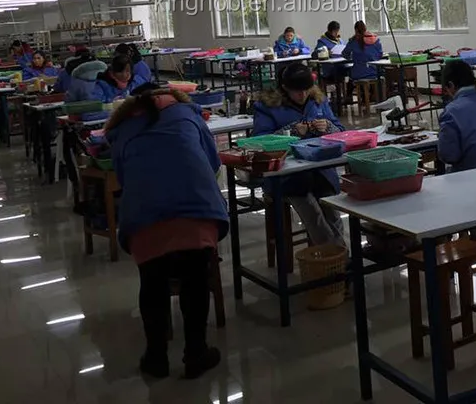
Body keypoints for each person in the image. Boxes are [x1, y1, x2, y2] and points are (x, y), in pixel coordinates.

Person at [106, 85, 228, 379]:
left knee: (152, 283)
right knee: (195, 281)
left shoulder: (122, 128)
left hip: (144, 212)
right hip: (195, 206)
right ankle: (196, 353)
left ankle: (156, 357)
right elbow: (213, 161)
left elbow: (121, 175)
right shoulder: (187, 114)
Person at [252, 63, 346, 248]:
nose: (302, 95)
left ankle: (337, 254)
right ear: (285, 88)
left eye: (306, 89)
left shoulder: (317, 100)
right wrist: (292, 132)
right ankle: (336, 254)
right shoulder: (267, 106)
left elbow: (341, 132)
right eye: (297, 91)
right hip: (287, 175)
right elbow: (260, 142)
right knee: (312, 212)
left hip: (320, 170)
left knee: (332, 208)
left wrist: (328, 127)